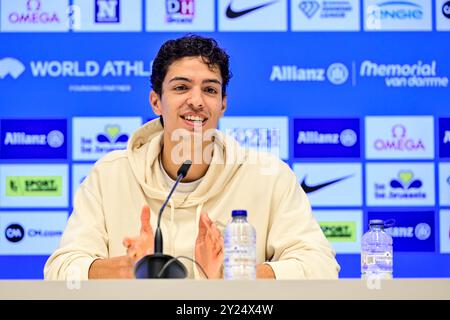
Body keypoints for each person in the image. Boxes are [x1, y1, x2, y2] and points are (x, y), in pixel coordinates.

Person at [44, 35, 340, 280]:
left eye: (210, 89)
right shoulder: (111, 174)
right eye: (181, 87)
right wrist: (128, 269)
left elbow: (321, 266)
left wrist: (232, 276)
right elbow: (61, 268)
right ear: (156, 101)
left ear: (223, 104)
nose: (196, 101)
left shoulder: (268, 175)